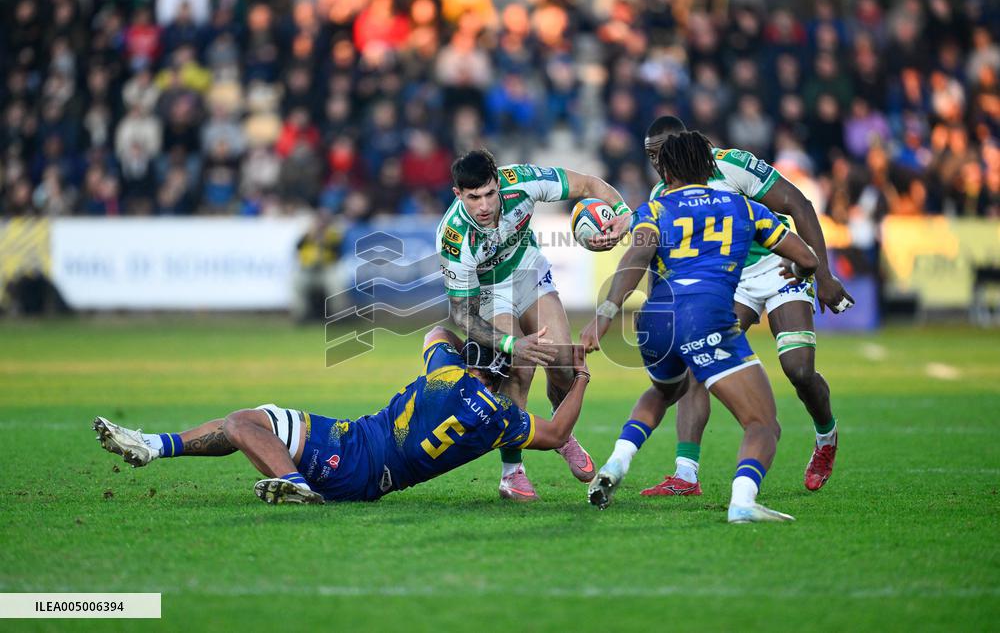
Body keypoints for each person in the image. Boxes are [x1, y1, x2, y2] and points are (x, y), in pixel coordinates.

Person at [581, 130, 819, 523]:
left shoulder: (654, 209)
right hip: (706, 317)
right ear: (709, 166)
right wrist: (796, 268)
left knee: (664, 390)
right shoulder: (742, 206)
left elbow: (637, 255)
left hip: (657, 320)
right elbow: (805, 258)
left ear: (666, 172)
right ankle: (743, 500)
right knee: (762, 424)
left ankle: (617, 463)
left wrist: (604, 315)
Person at [93, 327, 591, 504]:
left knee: (243, 423)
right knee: (254, 419)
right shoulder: (501, 421)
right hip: (370, 468)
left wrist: (484, 335)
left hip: (356, 453)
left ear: (474, 363)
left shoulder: (446, 375)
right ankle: (154, 445)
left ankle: (297, 485)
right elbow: (558, 431)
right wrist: (582, 377)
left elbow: (436, 334)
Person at [639, 116, 853, 495]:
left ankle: (826, 436)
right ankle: (686, 474)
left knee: (799, 369)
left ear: (683, 144)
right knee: (697, 362)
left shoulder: (733, 164)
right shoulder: (662, 195)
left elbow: (798, 204)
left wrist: (823, 275)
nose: (657, 165)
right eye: (650, 157)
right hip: (732, 280)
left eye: (659, 154)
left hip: (781, 267)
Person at [438, 149, 632, 500]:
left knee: (561, 361)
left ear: (499, 183)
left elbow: (589, 184)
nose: (483, 206)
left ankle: (562, 434)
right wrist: (512, 345)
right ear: (458, 195)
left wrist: (622, 214)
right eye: (472, 198)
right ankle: (512, 472)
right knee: (519, 368)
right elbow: (462, 314)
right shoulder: (454, 237)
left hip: (528, 271)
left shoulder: (523, 181)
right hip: (488, 292)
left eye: (488, 194)